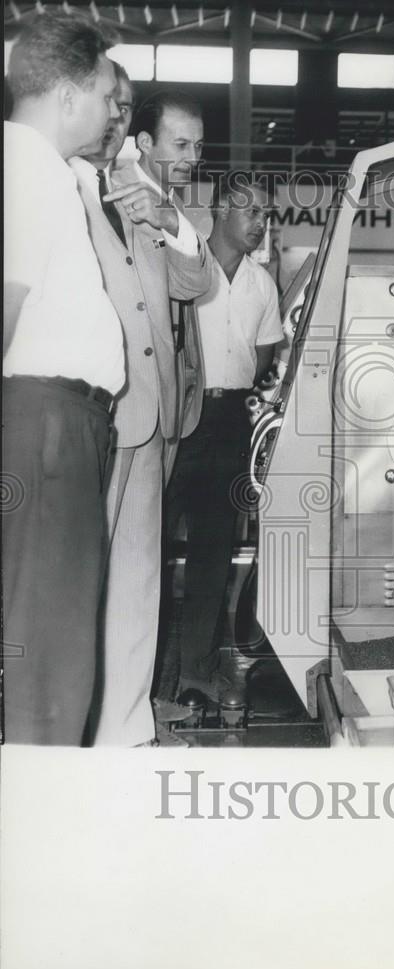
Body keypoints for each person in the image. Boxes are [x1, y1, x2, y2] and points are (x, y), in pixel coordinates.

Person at [70, 80, 211, 746]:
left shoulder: (145, 197)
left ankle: (124, 728)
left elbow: (194, 283)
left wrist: (171, 224)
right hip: (86, 413)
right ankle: (73, 721)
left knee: (138, 576)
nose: (118, 116)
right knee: (78, 577)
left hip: (152, 414)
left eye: (126, 106)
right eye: (112, 103)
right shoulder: (58, 185)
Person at [2, 11, 124, 745]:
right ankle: (39, 832)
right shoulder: (26, 169)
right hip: (44, 429)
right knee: (48, 652)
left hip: (54, 429)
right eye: (110, 95)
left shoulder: (39, 170)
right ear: (71, 93)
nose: (116, 112)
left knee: (50, 640)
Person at [157, 178, 284, 700]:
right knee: (155, 550)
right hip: (178, 418)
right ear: (218, 210)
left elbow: (263, 358)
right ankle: (151, 678)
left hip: (231, 421)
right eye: (250, 210)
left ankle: (197, 671)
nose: (259, 222)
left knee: (214, 551)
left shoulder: (263, 284)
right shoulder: (182, 265)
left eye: (265, 213)